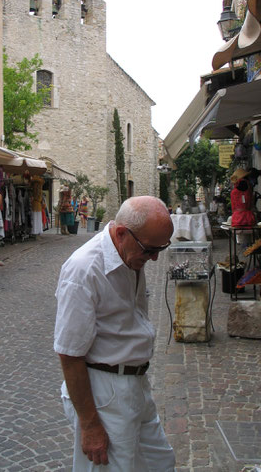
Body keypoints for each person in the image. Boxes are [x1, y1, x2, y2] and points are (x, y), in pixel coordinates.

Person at [54, 196, 175, 471]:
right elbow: (69, 354)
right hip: (104, 392)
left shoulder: (132, 254)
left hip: (135, 385)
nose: (154, 258)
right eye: (150, 250)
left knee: (160, 464)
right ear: (121, 234)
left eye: (161, 249)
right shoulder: (84, 270)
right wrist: (90, 424)